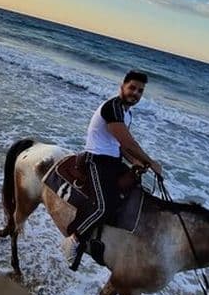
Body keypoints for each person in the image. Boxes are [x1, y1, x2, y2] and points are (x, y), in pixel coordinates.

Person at [62, 70, 163, 268]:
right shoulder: (113, 107)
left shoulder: (127, 113)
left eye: (140, 91)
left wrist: (136, 161)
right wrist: (151, 162)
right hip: (95, 160)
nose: (135, 93)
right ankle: (74, 239)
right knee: (104, 206)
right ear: (122, 86)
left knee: (137, 190)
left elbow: (121, 146)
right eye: (132, 88)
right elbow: (128, 142)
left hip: (113, 161)